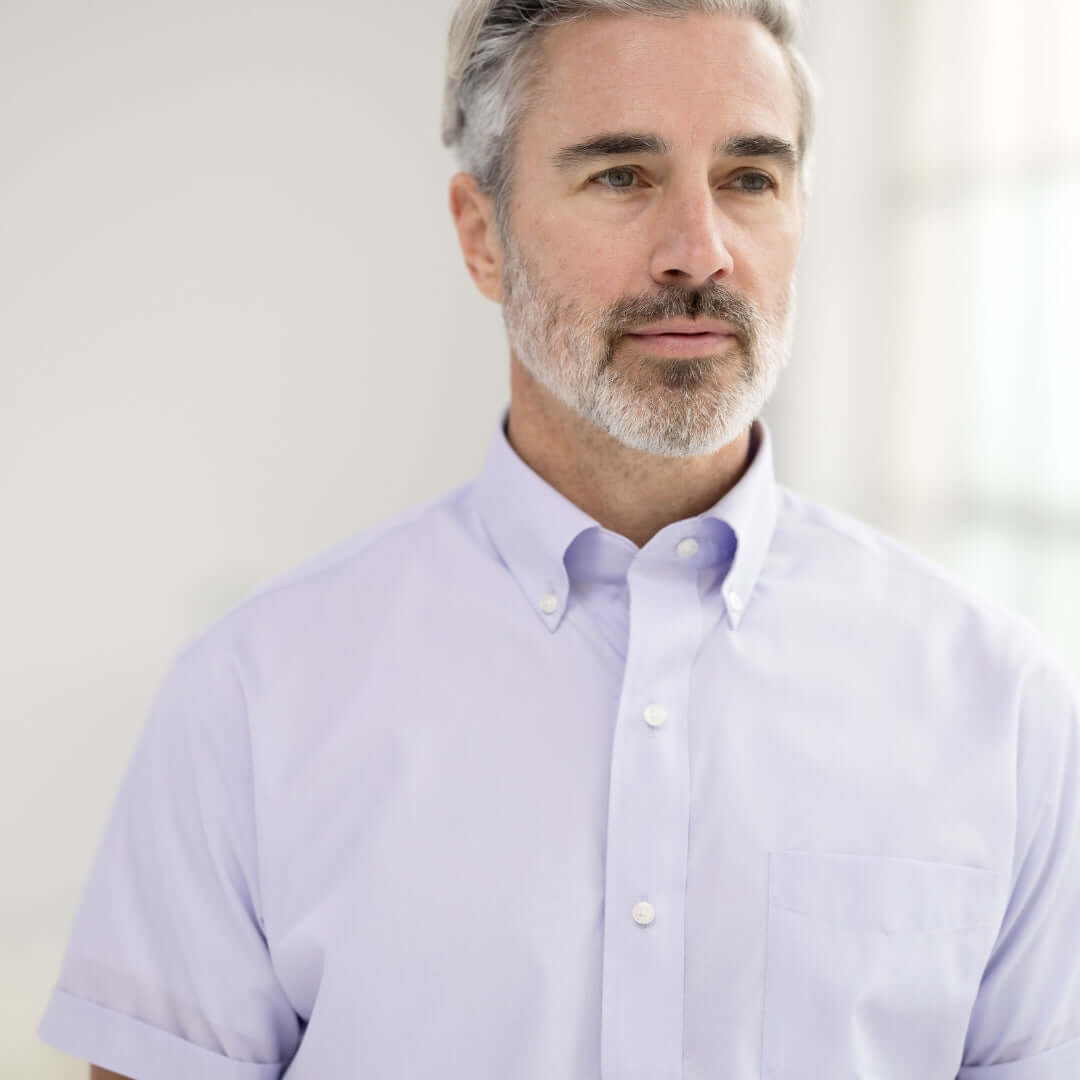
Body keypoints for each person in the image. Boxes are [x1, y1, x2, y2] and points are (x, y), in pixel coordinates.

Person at [38, 1, 1080, 1077]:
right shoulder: (250, 702)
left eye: (750, 178)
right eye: (622, 176)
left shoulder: (1003, 712)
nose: (699, 251)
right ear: (482, 235)